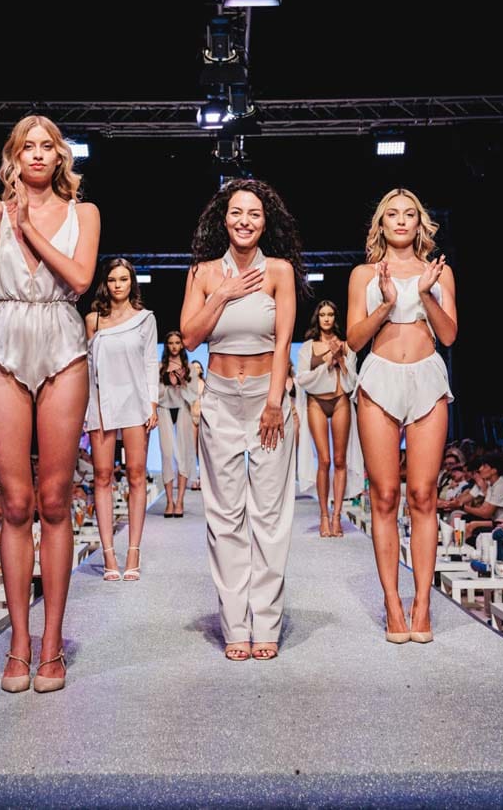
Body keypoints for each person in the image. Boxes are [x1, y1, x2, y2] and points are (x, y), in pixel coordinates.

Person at [0, 114, 100, 692]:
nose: (39, 154)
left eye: (49, 146)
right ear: (14, 157)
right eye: (29, 147)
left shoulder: (84, 214)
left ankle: (52, 644)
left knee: (54, 499)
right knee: (16, 503)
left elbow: (80, 279)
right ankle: (19, 643)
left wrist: (27, 226)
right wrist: (0, 216)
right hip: (3, 342)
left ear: (60, 156)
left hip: (62, 342)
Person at [180, 177, 310, 661]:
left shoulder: (279, 270)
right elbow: (190, 337)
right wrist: (223, 293)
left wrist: (275, 401)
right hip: (219, 400)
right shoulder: (203, 273)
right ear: (223, 218)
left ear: (265, 220)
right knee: (224, 517)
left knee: (270, 518)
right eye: (237, 212)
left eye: (254, 213)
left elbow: (283, 341)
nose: (245, 221)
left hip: (266, 400)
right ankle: (236, 625)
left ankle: (267, 624)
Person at [346, 187, 457, 644]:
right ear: (381, 223)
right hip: (380, 379)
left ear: (419, 223)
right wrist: (387, 303)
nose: (401, 220)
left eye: (409, 214)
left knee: (424, 495)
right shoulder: (364, 274)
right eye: (392, 214)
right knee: (385, 496)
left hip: (427, 378)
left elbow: (448, 335)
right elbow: (354, 340)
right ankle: (392, 602)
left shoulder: (439, 273)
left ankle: (422, 602)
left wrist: (426, 293)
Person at [85, 257, 158, 581]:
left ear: (132, 283)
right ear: (106, 283)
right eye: (112, 279)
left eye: (123, 279)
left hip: (135, 400)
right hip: (101, 401)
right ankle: (108, 555)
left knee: (136, 475)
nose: (118, 285)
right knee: (102, 476)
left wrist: (152, 404)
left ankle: (133, 552)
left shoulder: (145, 319)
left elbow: (150, 362)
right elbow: (87, 369)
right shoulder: (93, 321)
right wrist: (87, 409)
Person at [296, 299, 364, 537]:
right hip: (316, 401)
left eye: (330, 314)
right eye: (323, 314)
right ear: (318, 318)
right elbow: (302, 378)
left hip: (340, 400)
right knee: (324, 460)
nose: (326, 318)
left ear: (335, 318)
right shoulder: (308, 347)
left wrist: (340, 359)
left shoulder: (346, 346)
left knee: (340, 459)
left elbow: (353, 381)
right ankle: (323, 515)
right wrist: (327, 362)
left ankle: (337, 516)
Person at [156, 331, 199, 518]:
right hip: (164, 409)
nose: (174, 346)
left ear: (182, 345)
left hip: (183, 410)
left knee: (183, 454)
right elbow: (155, 393)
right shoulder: (160, 368)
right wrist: (168, 383)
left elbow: (194, 394)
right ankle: (169, 501)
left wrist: (182, 384)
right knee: (167, 455)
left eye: (177, 342)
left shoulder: (189, 368)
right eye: (171, 343)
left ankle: (180, 500)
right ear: (166, 345)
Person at [189, 359, 206, 490]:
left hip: (202, 417)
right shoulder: (188, 384)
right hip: (190, 417)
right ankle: (193, 479)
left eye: (198, 367)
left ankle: (202, 479)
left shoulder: (205, 384)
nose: (196, 369)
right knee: (192, 449)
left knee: (201, 450)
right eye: (194, 367)